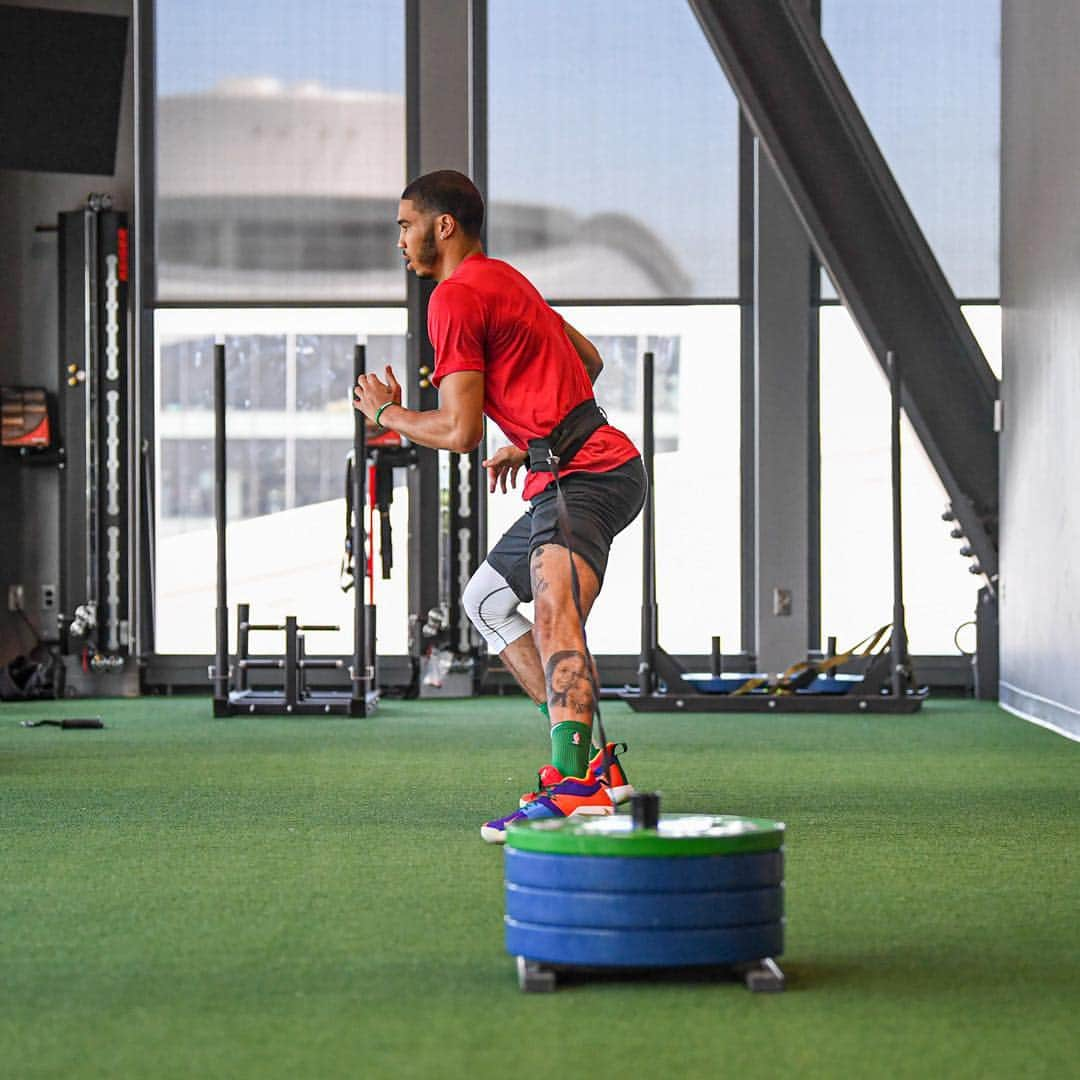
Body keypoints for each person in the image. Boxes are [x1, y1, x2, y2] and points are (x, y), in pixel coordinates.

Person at [353, 170, 645, 843]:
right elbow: (589, 361)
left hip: (589, 476)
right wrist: (532, 439)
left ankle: (575, 784)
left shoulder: (453, 299)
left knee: (552, 613)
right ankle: (589, 762)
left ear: (442, 225)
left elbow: (459, 433)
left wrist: (388, 412)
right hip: (581, 466)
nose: (399, 239)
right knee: (485, 600)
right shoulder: (507, 279)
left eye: (405, 224)